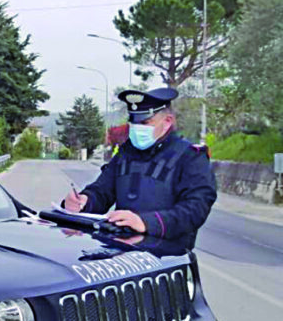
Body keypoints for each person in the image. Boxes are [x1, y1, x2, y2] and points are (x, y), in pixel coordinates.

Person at [61, 87, 216, 249]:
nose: (137, 128)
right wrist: (83, 201)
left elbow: (196, 208)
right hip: (122, 254)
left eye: (145, 122)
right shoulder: (126, 153)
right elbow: (102, 191)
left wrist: (146, 223)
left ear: (167, 121)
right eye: (133, 122)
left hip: (168, 259)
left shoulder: (190, 157)